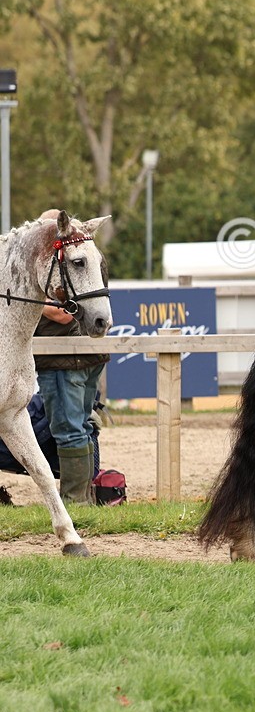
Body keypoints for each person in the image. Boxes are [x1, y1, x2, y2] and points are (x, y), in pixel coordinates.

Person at [33, 210, 108, 504]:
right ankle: (85, 498)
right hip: (85, 355)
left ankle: (76, 502)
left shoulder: (67, 257)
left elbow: (65, 315)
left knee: (69, 429)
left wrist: (29, 304)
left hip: (65, 358)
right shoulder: (86, 253)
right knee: (82, 425)